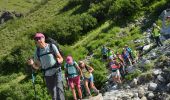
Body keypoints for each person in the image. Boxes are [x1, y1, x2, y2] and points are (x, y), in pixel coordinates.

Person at [27, 33, 65, 100]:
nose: (38, 40)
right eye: (36, 39)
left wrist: (59, 60)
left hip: (57, 71)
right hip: (47, 75)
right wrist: (32, 64)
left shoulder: (51, 46)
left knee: (59, 91)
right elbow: (37, 67)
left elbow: (61, 58)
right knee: (53, 94)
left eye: (39, 38)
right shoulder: (37, 52)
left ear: (44, 38)